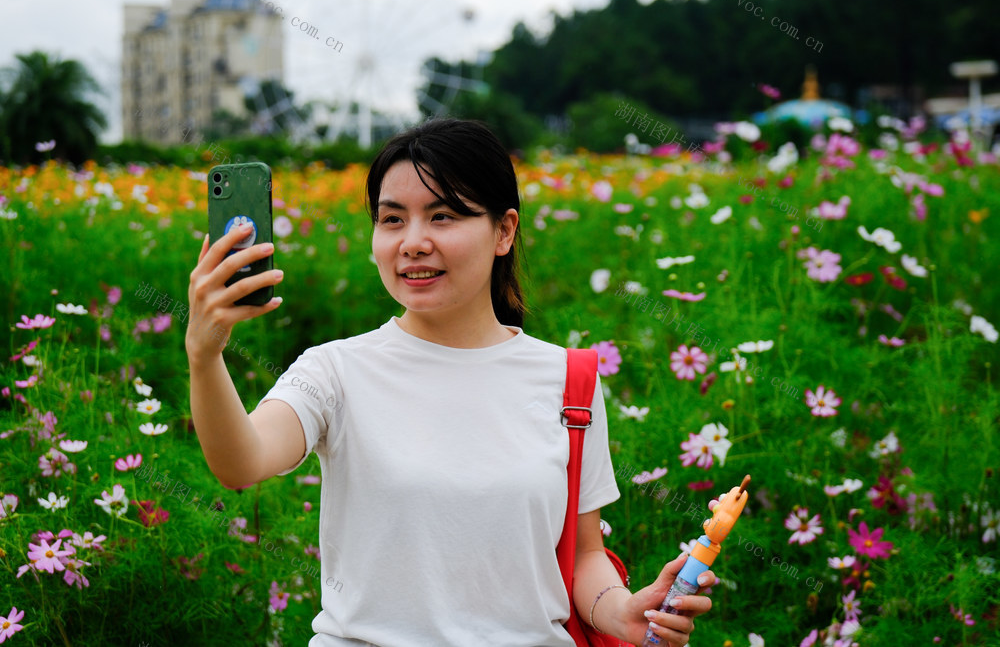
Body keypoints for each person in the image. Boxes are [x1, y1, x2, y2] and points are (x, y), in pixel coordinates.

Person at [186, 118, 717, 646]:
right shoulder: (335, 371)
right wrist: (206, 356)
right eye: (392, 220)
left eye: (443, 216)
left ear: (504, 230)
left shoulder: (568, 380)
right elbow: (241, 461)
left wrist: (624, 611)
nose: (413, 242)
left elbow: (582, 556)